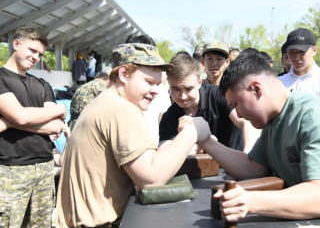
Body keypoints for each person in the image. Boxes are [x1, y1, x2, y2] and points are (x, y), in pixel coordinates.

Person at [197, 52, 320, 227]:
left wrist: (250, 200)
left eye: (236, 104)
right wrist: (206, 141)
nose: (237, 113)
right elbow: (252, 168)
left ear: (256, 89)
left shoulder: (316, 118)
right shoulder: (273, 121)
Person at [56, 43, 211, 227]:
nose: (156, 90)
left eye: (158, 84)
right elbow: (151, 179)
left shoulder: (102, 101)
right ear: (123, 74)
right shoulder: (122, 110)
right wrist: (193, 131)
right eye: (148, 82)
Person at [0, 27, 66, 227]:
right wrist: (20, 118)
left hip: (45, 168)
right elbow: (21, 117)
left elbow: (55, 126)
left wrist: (8, 121)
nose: (36, 57)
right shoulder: (2, 78)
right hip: (10, 169)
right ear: (16, 44)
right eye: (32, 50)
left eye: (40, 54)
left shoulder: (42, 84)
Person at [159, 54, 260, 153]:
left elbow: (247, 122)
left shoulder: (218, 95)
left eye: (188, 88)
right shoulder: (169, 117)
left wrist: (248, 155)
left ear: (200, 82)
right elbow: (163, 152)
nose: (183, 96)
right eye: (175, 89)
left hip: (233, 166)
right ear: (168, 83)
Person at [125, 34, 172, 144]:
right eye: (148, 82)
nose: (155, 90)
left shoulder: (160, 90)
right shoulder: (113, 105)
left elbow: (163, 119)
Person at [279, 28, 320, 105]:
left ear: (314, 50)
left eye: (302, 51)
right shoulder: (279, 82)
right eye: (291, 52)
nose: (296, 57)